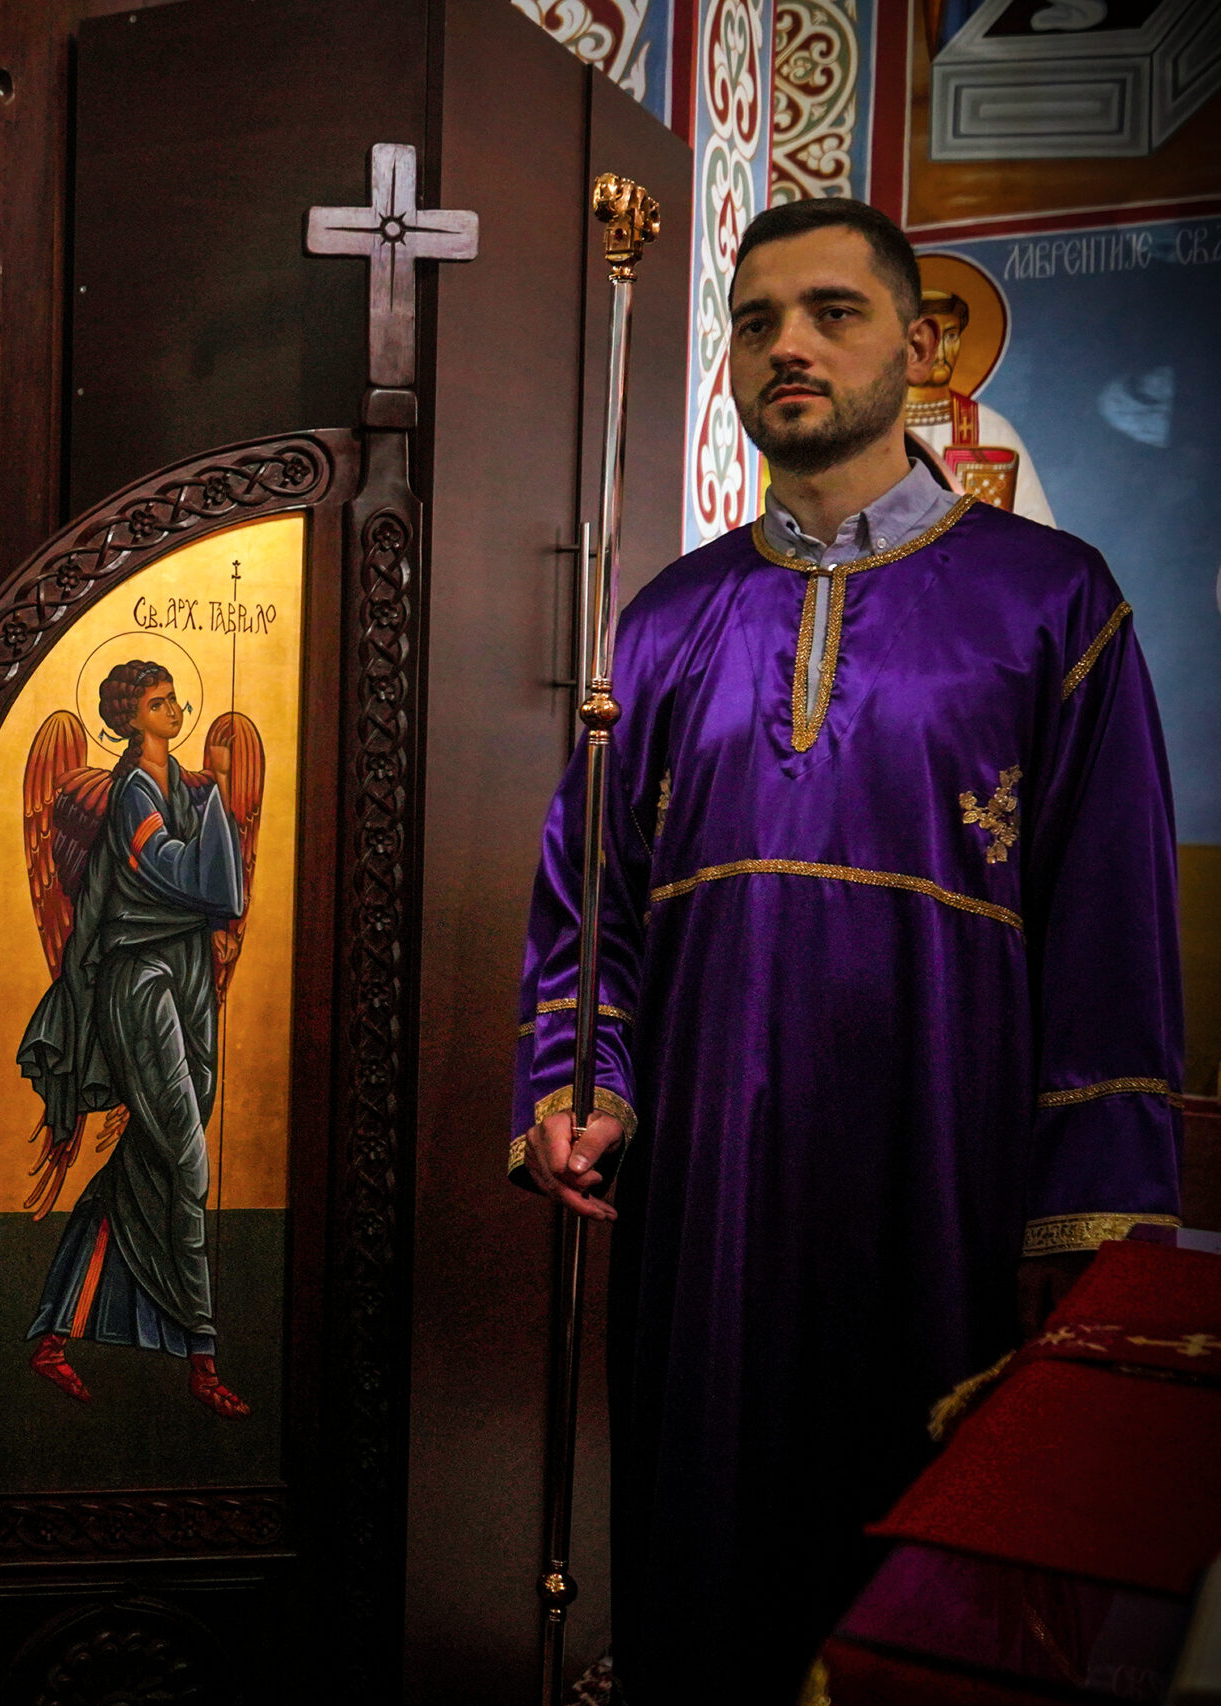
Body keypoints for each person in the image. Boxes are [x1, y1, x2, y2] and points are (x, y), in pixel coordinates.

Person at [510, 197, 1183, 1701]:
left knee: (914, 1574)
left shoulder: (1052, 601)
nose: (789, 347)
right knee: (703, 1560)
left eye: (833, 311)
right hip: (706, 1205)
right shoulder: (668, 619)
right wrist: (580, 1081)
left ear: (919, 344)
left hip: (943, 1186)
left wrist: (1084, 1224)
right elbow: (589, 906)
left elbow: (1113, 940)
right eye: (756, 322)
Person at [17, 663, 257, 1418]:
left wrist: (213, 796)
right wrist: (218, 803)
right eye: (160, 702)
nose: (176, 709)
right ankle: (202, 1356)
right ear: (132, 718)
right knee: (186, 1161)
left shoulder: (185, 787)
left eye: (175, 698)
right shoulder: (132, 795)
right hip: (141, 975)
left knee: (147, 1162)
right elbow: (186, 875)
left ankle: (54, 1334)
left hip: (187, 972)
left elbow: (218, 889)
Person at [904, 284, 1056, 526]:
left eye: (950, 336)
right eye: (923, 339)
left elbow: (1034, 532)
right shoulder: (871, 428)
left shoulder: (991, 430)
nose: (940, 352)